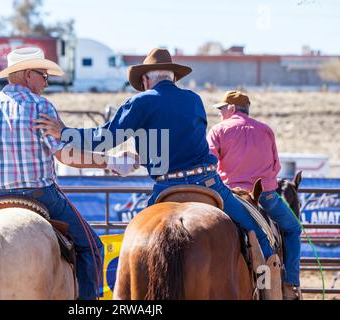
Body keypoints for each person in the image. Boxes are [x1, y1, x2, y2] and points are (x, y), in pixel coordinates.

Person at [35, 48, 279, 280]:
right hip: (208, 183)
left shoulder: (140, 102)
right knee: (259, 234)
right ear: (173, 78)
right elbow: (184, 139)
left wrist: (64, 132)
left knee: (137, 246)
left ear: (145, 81)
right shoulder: (193, 100)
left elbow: (105, 139)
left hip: (166, 187)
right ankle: (271, 285)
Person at [0, 47, 135, 300]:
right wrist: (112, 162)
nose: (46, 82)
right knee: (92, 246)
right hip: (40, 196)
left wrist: (1, 155)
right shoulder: (40, 106)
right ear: (29, 74)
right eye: (44, 76)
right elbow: (65, 156)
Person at [207, 90, 302, 300]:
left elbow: (210, 163)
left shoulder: (218, 130)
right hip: (265, 197)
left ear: (231, 109)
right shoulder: (266, 130)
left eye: (222, 109)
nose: (221, 113)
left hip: (229, 197)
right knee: (293, 229)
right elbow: (275, 166)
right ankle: (289, 283)